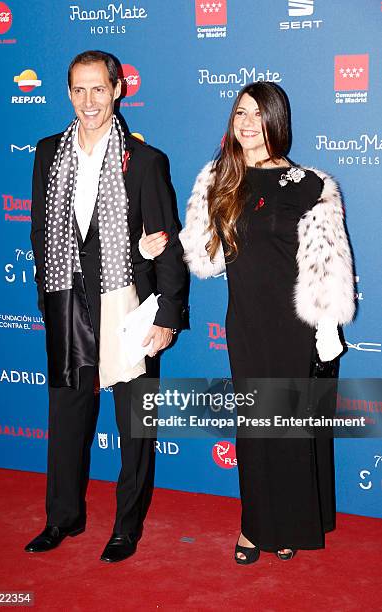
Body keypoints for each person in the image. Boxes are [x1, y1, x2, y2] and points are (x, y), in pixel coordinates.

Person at [178, 82, 355, 563]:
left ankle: (289, 526)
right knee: (256, 427)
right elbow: (205, 260)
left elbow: (328, 266)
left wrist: (326, 327)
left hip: (296, 326)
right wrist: (176, 241)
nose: (248, 123)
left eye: (258, 114)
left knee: (291, 426)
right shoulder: (218, 178)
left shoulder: (313, 185)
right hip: (248, 324)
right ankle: (254, 526)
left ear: (277, 121)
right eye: (240, 113)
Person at [26, 50, 187, 563]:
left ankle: (125, 526)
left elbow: (168, 245)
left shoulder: (144, 161)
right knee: (67, 417)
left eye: (99, 89)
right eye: (79, 90)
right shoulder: (48, 152)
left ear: (118, 90)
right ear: (68, 93)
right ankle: (62, 518)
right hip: (68, 302)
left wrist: (166, 318)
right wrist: (47, 300)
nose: (89, 101)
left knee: (134, 424)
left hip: (129, 306)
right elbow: (39, 236)